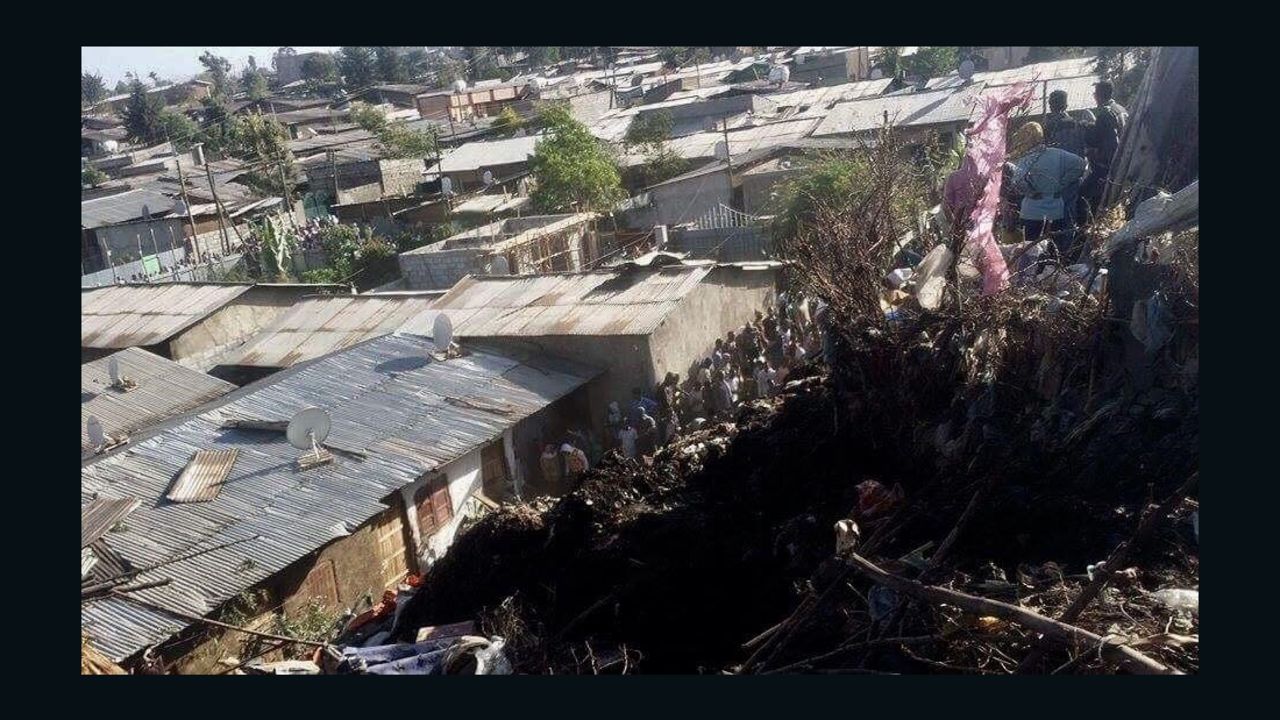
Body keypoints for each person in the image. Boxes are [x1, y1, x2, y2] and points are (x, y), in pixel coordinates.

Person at [1006, 121, 1087, 249]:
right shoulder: (1058, 154)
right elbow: (1081, 164)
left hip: (1031, 212)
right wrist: (1062, 183)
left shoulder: (1026, 158)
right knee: (1053, 250)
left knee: (1032, 251)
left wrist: (1031, 192)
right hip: (1055, 211)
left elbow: (1017, 181)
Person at [1082, 80, 1129, 214]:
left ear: (1099, 95)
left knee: (1084, 195)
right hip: (1123, 161)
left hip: (1107, 165)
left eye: (1095, 93)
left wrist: (1087, 127)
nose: (1094, 96)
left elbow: (1096, 140)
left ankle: (1088, 229)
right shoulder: (1121, 109)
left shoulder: (1105, 113)